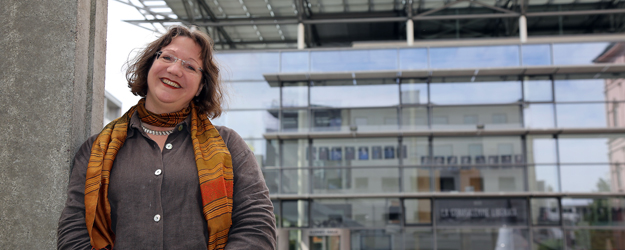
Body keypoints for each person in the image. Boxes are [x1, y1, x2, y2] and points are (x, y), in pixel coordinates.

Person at [57, 26, 276, 250]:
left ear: (201, 86)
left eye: (190, 66)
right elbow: (75, 231)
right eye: (168, 57)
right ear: (151, 64)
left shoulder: (230, 145)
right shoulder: (95, 150)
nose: (174, 69)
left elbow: (256, 224)